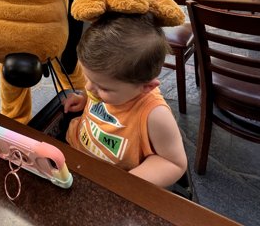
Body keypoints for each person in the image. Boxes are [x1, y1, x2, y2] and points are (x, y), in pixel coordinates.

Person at [62, 13, 187, 188]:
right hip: (74, 152)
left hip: (109, 181)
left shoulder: (154, 115)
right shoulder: (105, 86)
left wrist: (125, 183)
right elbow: (95, 89)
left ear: (146, 87)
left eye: (103, 88)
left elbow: (173, 163)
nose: (90, 87)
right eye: (88, 78)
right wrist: (84, 99)